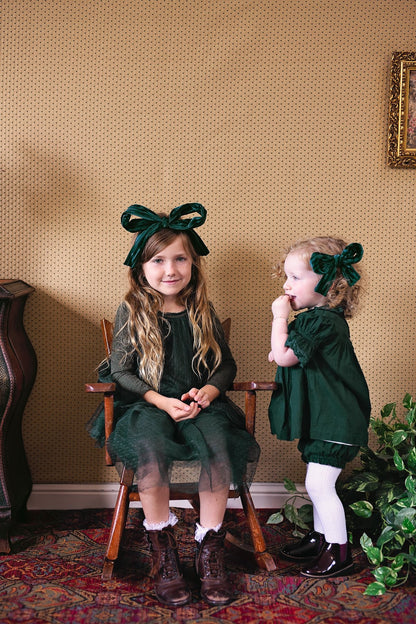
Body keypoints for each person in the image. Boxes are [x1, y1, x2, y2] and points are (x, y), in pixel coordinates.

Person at [88, 203, 259, 606]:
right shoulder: (133, 309)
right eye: (158, 260)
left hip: (199, 405)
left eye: (180, 259)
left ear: (193, 264)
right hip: (147, 405)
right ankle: (163, 550)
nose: (170, 269)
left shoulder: (202, 310)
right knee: (149, 446)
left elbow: (226, 365)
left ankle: (209, 549)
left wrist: (210, 392)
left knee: (219, 444)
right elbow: (121, 370)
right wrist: (159, 400)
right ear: (141, 268)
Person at [267, 236, 371, 578]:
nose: (287, 285)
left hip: (337, 419)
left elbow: (284, 356)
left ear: (328, 283)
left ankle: (339, 552)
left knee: (319, 486)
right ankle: (321, 539)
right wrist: (282, 347)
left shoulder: (322, 321)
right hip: (327, 419)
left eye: (295, 277)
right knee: (317, 483)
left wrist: (278, 319)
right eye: (286, 277)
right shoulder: (316, 319)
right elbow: (289, 354)